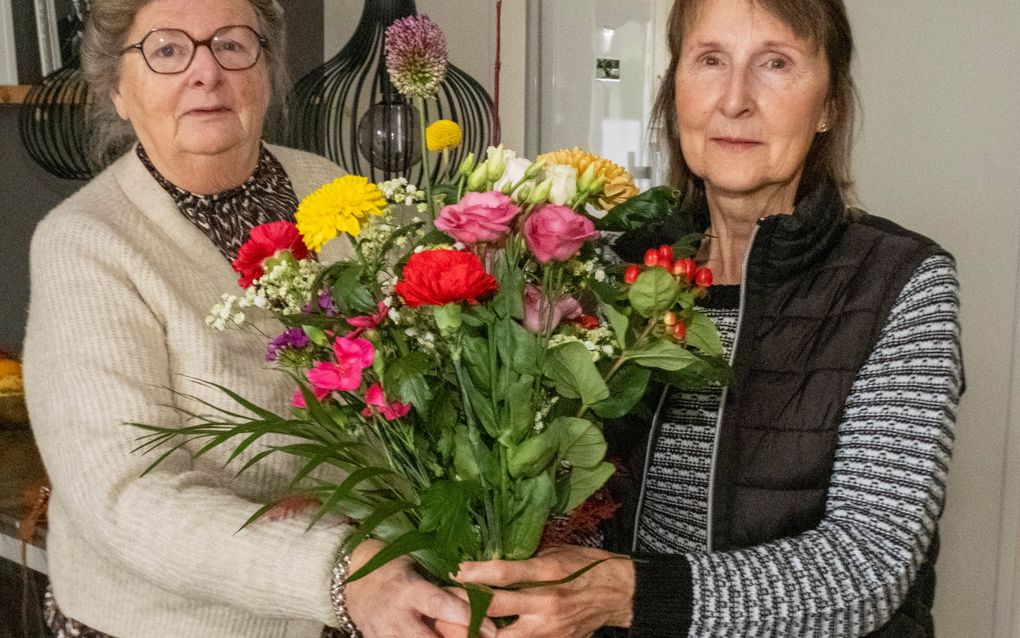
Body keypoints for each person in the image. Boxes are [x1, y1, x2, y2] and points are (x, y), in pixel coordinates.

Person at [451, 0, 963, 636]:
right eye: (710, 60)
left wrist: (628, 594)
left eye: (775, 63)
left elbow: (869, 565)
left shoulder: (900, 281)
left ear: (829, 104)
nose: (735, 100)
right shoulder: (602, 267)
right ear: (674, 92)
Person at [22, 1, 483, 636]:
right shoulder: (85, 243)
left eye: (233, 44)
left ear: (265, 68)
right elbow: (124, 496)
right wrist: (340, 567)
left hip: (373, 597)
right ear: (117, 90)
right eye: (166, 50)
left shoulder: (332, 190)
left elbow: (417, 388)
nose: (206, 71)